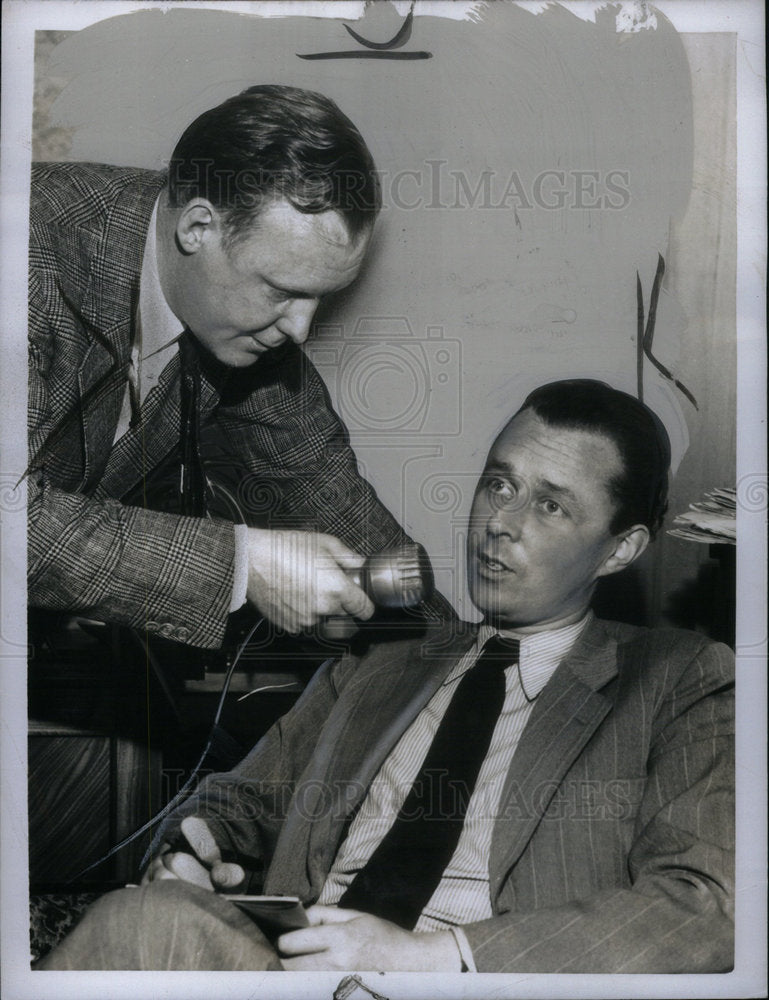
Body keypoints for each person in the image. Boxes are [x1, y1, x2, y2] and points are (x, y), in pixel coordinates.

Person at [38, 380, 734, 973]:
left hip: (475, 979)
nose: (501, 523)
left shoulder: (677, 682)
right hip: (301, 968)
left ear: (620, 550)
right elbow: (236, 806)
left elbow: (703, 907)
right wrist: (196, 850)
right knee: (142, 919)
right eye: (498, 484)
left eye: (549, 505)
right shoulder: (382, 665)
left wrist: (428, 956)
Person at [27, 84, 420, 649]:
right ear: (198, 228)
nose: (301, 330)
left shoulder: (236, 317)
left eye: (322, 299)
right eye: (283, 290)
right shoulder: (26, 252)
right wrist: (241, 566)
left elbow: (321, 481)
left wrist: (459, 662)